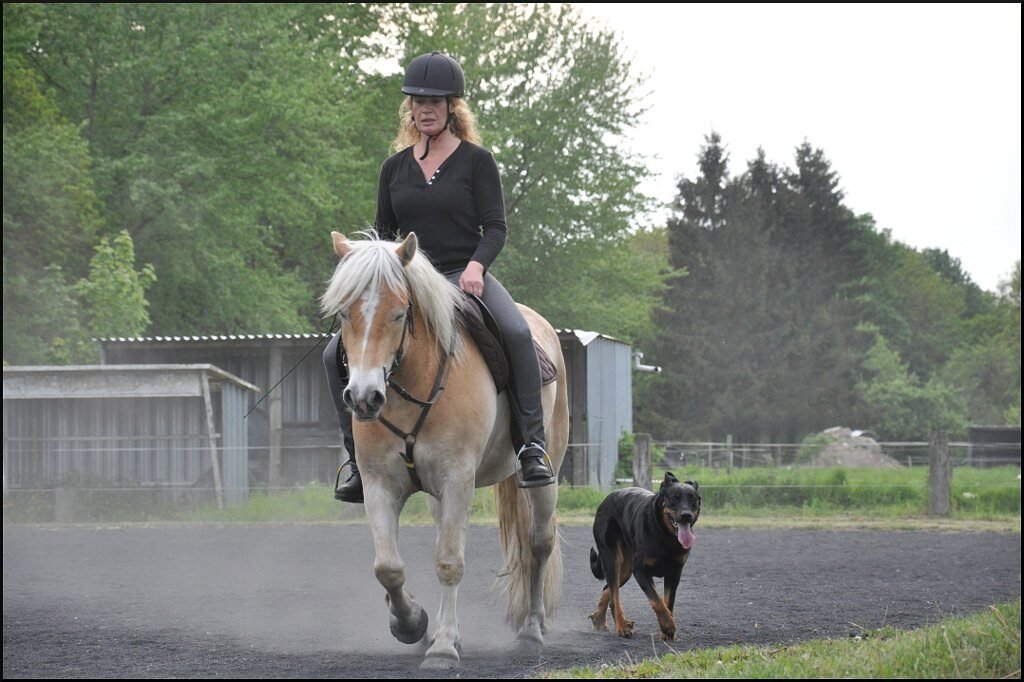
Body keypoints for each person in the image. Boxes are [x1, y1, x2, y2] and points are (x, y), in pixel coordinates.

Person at [325, 51, 556, 503]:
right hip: (408, 284)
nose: (425, 109)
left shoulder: (477, 161)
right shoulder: (393, 168)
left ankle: (531, 446)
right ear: (409, 107)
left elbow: (496, 228)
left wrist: (476, 266)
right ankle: (354, 458)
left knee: (515, 332)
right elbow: (384, 236)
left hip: (462, 275)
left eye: (435, 101)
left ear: (453, 106)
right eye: (418, 101)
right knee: (332, 352)